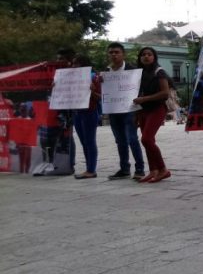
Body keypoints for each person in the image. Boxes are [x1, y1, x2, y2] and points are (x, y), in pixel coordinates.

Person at [104, 42, 146, 181]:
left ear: (123, 54)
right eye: (111, 52)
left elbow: (140, 90)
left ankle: (139, 168)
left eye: (117, 52)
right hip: (114, 110)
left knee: (132, 139)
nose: (114, 55)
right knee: (120, 141)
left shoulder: (133, 71)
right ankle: (124, 168)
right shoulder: (106, 72)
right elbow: (104, 93)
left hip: (129, 110)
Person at [134, 47, 171, 183]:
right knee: (149, 141)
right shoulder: (139, 73)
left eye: (149, 54)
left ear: (154, 57)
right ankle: (153, 170)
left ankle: (163, 169)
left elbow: (165, 93)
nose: (146, 57)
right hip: (143, 110)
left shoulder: (159, 72)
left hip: (157, 108)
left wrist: (145, 99)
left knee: (146, 140)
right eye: (143, 54)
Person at [71, 55, 101, 179]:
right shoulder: (71, 78)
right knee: (84, 142)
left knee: (89, 141)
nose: (73, 66)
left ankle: (91, 170)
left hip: (90, 112)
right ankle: (89, 168)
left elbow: (99, 97)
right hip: (77, 112)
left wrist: (92, 91)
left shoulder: (94, 77)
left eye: (75, 63)